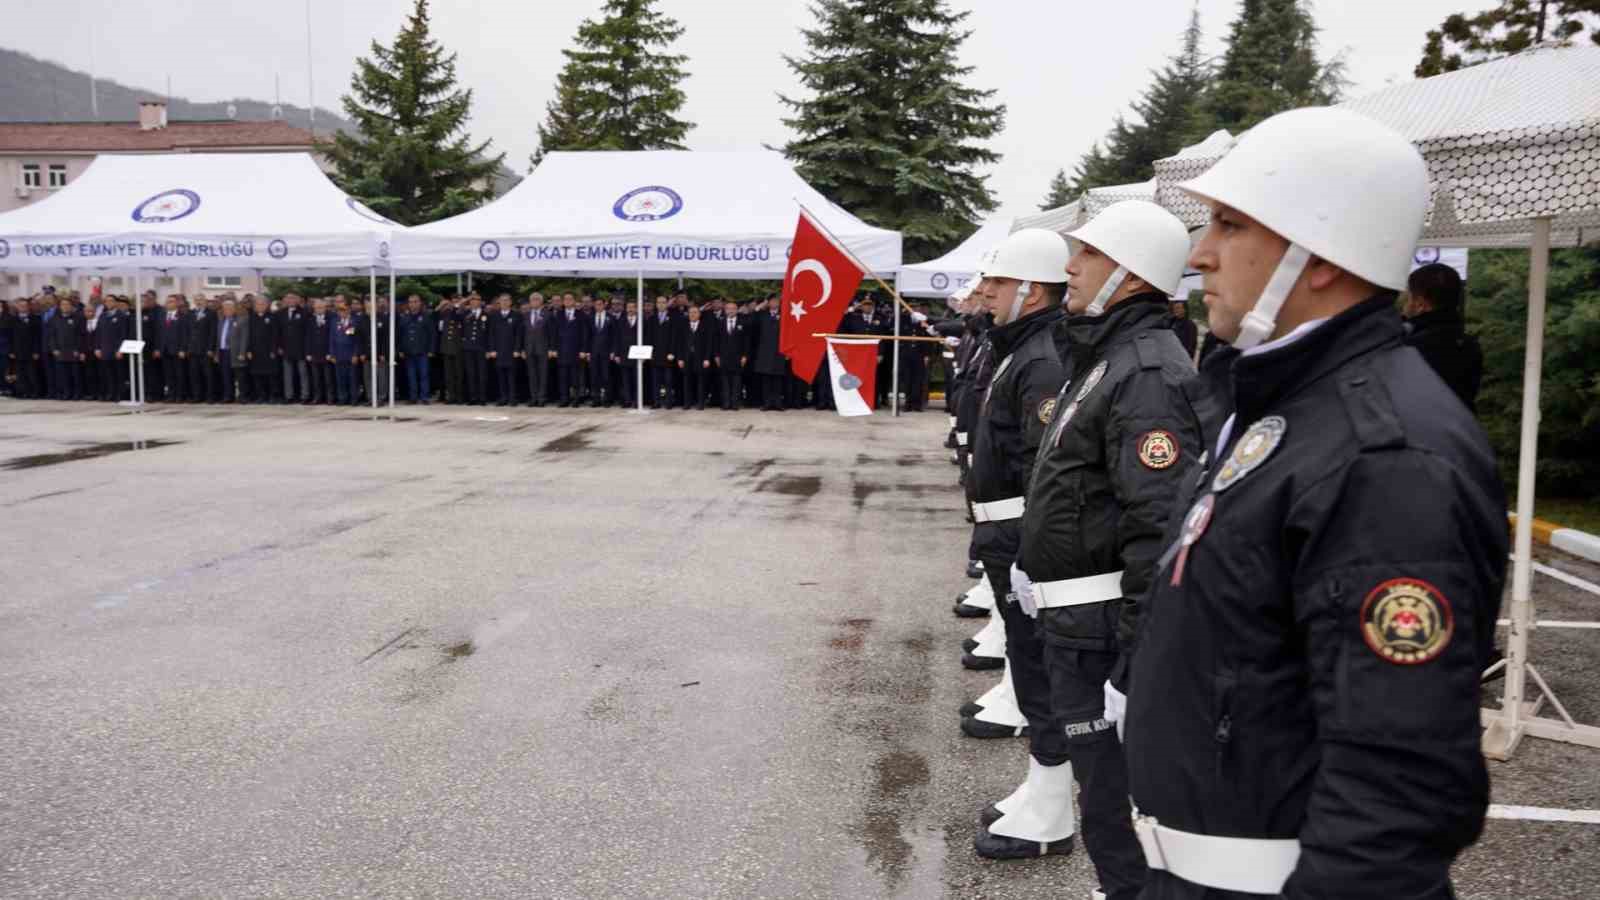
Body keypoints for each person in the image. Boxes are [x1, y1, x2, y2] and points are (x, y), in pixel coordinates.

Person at [1122, 107, 1508, 900]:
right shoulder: (1284, 404)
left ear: (1321, 256)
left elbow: (1399, 784)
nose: (1198, 255)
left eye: (1229, 225)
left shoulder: (1385, 456)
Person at [1006, 201, 1197, 898]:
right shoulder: (1106, 357)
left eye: (1086, 256)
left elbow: (1159, 524)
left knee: (1117, 808)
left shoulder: (1145, 372)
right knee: (1103, 801)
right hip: (1076, 623)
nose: (1069, 268)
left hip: (1102, 630)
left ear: (1130, 273)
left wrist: (1134, 658)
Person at [956, 230, 1073, 860]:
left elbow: (1041, 468)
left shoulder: (1043, 357)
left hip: (1023, 536)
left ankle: (1053, 808)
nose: (988, 292)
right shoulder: (1022, 346)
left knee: (1038, 671)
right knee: (1027, 667)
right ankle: (1042, 786)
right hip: (1006, 532)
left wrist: (1031, 551)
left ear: (1031, 290)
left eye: (999, 282)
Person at [1404, 262, 1483, 412]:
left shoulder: (1409, 349)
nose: (1406, 305)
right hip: (1463, 430)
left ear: (1420, 304)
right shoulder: (1470, 345)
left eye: (1409, 298)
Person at [397, 295, 435, 405]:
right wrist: (400, 349)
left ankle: (424, 397)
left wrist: (431, 349)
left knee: (424, 375)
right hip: (408, 352)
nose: (413, 304)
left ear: (420, 303)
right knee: (411, 375)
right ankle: (413, 397)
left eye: (415, 301)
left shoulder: (426, 316)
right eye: (410, 302)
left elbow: (432, 335)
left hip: (423, 351)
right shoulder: (404, 317)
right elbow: (400, 335)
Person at [676, 303, 715, 410]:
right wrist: (680, 358)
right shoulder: (683, 326)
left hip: (701, 358)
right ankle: (687, 403)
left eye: (695, 312)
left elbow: (709, 344)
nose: (692, 314)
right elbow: (679, 344)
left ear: (699, 314)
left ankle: (700, 403)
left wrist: (707, 358)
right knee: (687, 382)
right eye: (690, 313)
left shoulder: (705, 326)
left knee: (700, 382)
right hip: (686, 358)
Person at [486, 293, 522, 407]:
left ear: (510, 302)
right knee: (500, 376)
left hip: (511, 351)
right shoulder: (494, 315)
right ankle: (503, 398)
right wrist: (492, 349)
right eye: (502, 301)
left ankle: (512, 398)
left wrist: (517, 349)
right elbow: (491, 334)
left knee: (512, 376)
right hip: (499, 351)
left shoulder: (516, 315)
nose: (504, 303)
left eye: (507, 300)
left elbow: (518, 334)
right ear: (499, 303)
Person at [751, 298, 787, 410]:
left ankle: (777, 403)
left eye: (776, 302)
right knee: (766, 380)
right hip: (765, 352)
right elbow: (752, 322)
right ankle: (767, 403)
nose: (774, 303)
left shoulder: (784, 315)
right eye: (771, 302)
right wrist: (759, 307)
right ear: (768, 304)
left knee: (777, 380)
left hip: (779, 352)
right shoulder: (762, 315)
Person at [46, 296, 84, 401]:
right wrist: (54, 349)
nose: (65, 307)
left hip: (74, 351)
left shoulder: (78, 318)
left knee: (75, 375)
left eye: (67, 305)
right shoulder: (54, 319)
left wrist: (79, 349)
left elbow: (81, 335)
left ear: (72, 306)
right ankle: (66, 393)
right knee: (63, 375)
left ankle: (77, 394)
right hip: (60, 351)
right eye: (63, 305)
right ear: (60, 307)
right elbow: (52, 336)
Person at [713, 299, 748, 410]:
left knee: (736, 382)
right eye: (728, 309)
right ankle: (726, 403)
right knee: (724, 382)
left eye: (733, 309)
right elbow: (716, 340)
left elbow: (746, 341)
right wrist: (716, 355)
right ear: (725, 310)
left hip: (738, 357)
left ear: (737, 310)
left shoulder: (743, 322)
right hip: (723, 357)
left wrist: (745, 356)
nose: (731, 311)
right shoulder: (720, 322)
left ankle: (735, 404)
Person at [277, 293, 311, 404]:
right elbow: (278, 332)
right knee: (287, 374)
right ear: (285, 300)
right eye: (288, 298)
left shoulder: (305, 312)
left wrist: (307, 349)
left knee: (303, 374)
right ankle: (289, 396)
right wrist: (279, 346)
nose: (291, 300)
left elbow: (307, 333)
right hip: (286, 348)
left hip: (300, 348)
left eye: (293, 298)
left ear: (298, 300)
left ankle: (304, 396)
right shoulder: (280, 313)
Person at [94, 295, 130, 401]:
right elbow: (98, 333)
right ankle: (111, 393)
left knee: (119, 374)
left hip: (117, 350)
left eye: (111, 301)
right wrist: (97, 348)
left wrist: (121, 349)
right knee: (108, 375)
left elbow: (123, 334)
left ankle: (120, 394)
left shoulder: (121, 316)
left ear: (116, 303)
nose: (109, 303)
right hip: (105, 349)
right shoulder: (102, 315)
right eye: (106, 301)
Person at [646, 296, 679, 408]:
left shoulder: (673, 318)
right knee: (655, 381)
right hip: (655, 355)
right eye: (659, 302)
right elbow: (648, 337)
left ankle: (669, 402)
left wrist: (672, 352)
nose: (661, 304)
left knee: (668, 381)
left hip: (667, 355)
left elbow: (675, 337)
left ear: (667, 304)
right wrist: (649, 352)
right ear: (656, 304)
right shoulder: (651, 319)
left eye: (663, 302)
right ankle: (656, 402)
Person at [154, 295, 188, 402]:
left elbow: (184, 334)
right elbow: (158, 334)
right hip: (165, 349)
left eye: (172, 302)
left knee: (179, 374)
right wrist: (157, 348)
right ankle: (171, 395)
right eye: (168, 302)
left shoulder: (182, 316)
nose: (169, 304)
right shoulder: (161, 316)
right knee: (168, 375)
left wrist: (183, 349)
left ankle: (180, 395)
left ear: (177, 303)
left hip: (177, 350)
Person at [246, 295, 278, 403]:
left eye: (262, 304)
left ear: (267, 305)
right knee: (257, 375)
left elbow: (275, 335)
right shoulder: (251, 317)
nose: (260, 306)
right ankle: (261, 396)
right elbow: (248, 335)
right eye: (258, 304)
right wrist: (249, 350)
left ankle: (272, 396)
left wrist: (273, 350)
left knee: (271, 376)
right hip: (255, 351)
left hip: (268, 351)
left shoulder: (272, 317)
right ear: (255, 306)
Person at [328, 298, 360, 405]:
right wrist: (332, 354)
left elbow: (356, 340)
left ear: (348, 310)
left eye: (344, 309)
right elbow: (331, 339)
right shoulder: (334, 321)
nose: (342, 312)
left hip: (350, 355)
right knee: (340, 379)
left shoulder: (354, 321)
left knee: (352, 379)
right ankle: (342, 398)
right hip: (338, 355)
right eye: (340, 310)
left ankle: (353, 399)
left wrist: (355, 354)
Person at [521, 292, 550, 407]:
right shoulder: (526, 315)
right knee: (532, 374)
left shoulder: (547, 314)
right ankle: (533, 398)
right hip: (529, 348)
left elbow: (551, 333)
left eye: (537, 299)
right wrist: (522, 349)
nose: (535, 301)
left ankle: (542, 398)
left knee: (543, 374)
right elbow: (523, 334)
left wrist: (552, 348)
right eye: (532, 299)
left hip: (543, 348)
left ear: (541, 301)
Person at [459, 293, 489, 405]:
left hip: (481, 348)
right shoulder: (465, 314)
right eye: (472, 300)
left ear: (480, 302)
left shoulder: (486, 314)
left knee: (482, 374)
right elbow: (454, 315)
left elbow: (489, 333)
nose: (474, 301)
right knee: (471, 373)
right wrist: (462, 302)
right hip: (469, 347)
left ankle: (482, 397)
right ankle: (473, 397)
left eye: (477, 299)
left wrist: (489, 349)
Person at [587, 296, 616, 406]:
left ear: (604, 305)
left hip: (606, 351)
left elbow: (614, 336)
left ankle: (607, 399)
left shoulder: (610, 317)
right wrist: (587, 351)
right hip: (593, 351)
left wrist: (613, 351)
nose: (598, 306)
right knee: (594, 376)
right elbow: (587, 335)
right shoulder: (590, 317)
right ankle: (596, 399)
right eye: (596, 304)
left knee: (606, 376)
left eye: (600, 304)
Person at [616, 299, 646, 407]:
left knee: (637, 379)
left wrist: (645, 354)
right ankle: (627, 400)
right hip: (624, 354)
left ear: (636, 309)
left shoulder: (642, 321)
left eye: (632, 307)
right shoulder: (621, 320)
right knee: (625, 380)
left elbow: (645, 338)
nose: (630, 309)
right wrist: (617, 354)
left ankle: (637, 401)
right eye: (628, 307)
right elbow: (617, 338)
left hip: (638, 354)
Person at [215, 299, 241, 403]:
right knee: (225, 375)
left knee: (237, 375)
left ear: (234, 309)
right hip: (223, 351)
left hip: (234, 351)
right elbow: (218, 338)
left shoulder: (239, 320)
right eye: (225, 308)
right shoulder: (221, 320)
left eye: (230, 308)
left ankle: (241, 395)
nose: (227, 310)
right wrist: (217, 353)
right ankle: (228, 396)